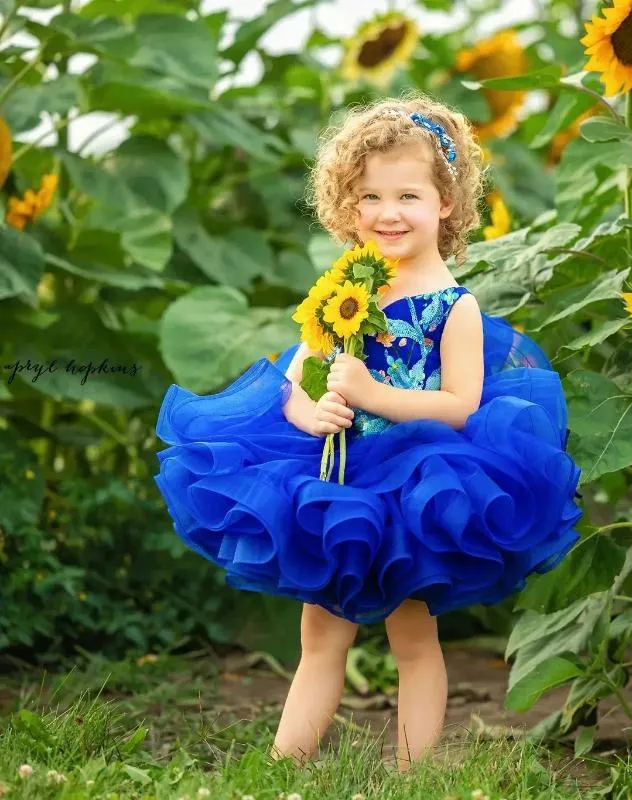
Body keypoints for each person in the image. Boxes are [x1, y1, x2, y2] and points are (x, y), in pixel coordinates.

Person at [153, 92, 583, 774]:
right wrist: (308, 413)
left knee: (413, 635)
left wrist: (376, 394)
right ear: (344, 205)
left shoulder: (455, 307)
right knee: (320, 634)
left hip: (418, 487)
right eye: (369, 197)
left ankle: (412, 776)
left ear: (446, 204)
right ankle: (282, 767)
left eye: (408, 195)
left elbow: (462, 405)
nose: (387, 213)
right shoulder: (343, 292)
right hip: (336, 483)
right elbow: (296, 379)